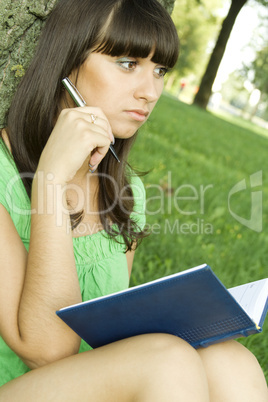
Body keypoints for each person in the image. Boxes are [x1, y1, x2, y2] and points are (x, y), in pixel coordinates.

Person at [0, 0, 267, 400]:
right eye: (127, 63)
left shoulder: (124, 191)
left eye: (160, 71)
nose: (151, 92)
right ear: (67, 60)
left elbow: (107, 340)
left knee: (231, 360)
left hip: (94, 382)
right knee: (167, 361)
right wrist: (50, 184)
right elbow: (47, 351)